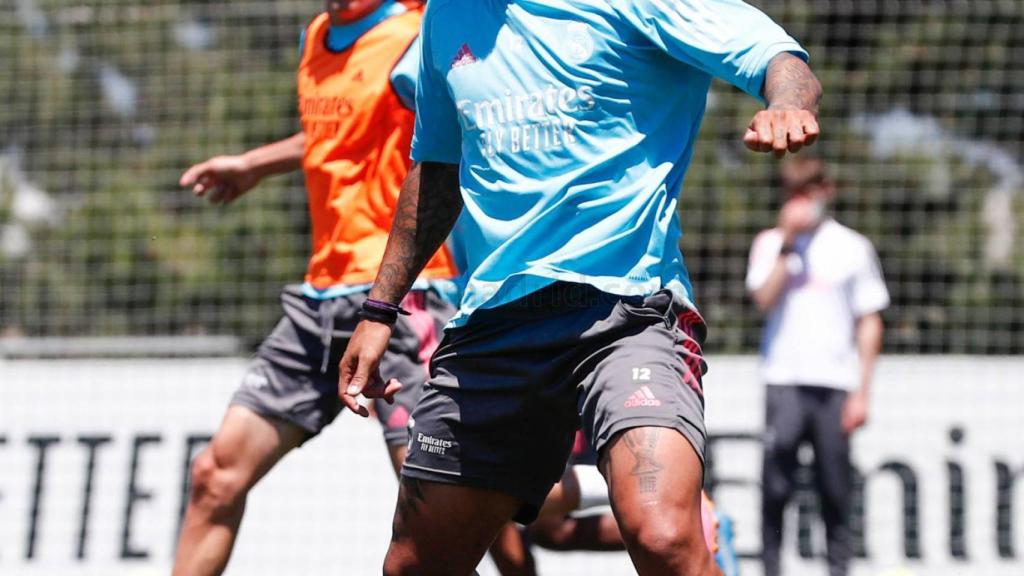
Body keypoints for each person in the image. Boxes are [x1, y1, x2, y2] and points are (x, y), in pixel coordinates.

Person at [339, 0, 822, 574]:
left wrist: (787, 103)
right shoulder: (446, 15)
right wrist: (379, 309)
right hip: (494, 324)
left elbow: (777, 57)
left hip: (630, 311)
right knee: (414, 566)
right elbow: (437, 169)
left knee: (664, 537)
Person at [170, 2, 459, 574]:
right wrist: (254, 164)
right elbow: (337, 134)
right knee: (214, 476)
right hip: (318, 301)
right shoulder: (317, 36)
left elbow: (455, 136)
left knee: (431, 516)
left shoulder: (415, 32)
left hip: (402, 297)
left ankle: (550, 494)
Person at [746, 156, 888, 576]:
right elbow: (763, 299)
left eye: (808, 192)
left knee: (835, 488)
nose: (801, 201)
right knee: (776, 485)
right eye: (794, 193)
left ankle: (839, 569)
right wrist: (788, 243)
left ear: (826, 192)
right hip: (784, 380)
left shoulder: (853, 247)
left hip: (835, 384)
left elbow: (869, 320)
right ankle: (771, 568)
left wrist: (862, 391)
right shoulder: (770, 243)